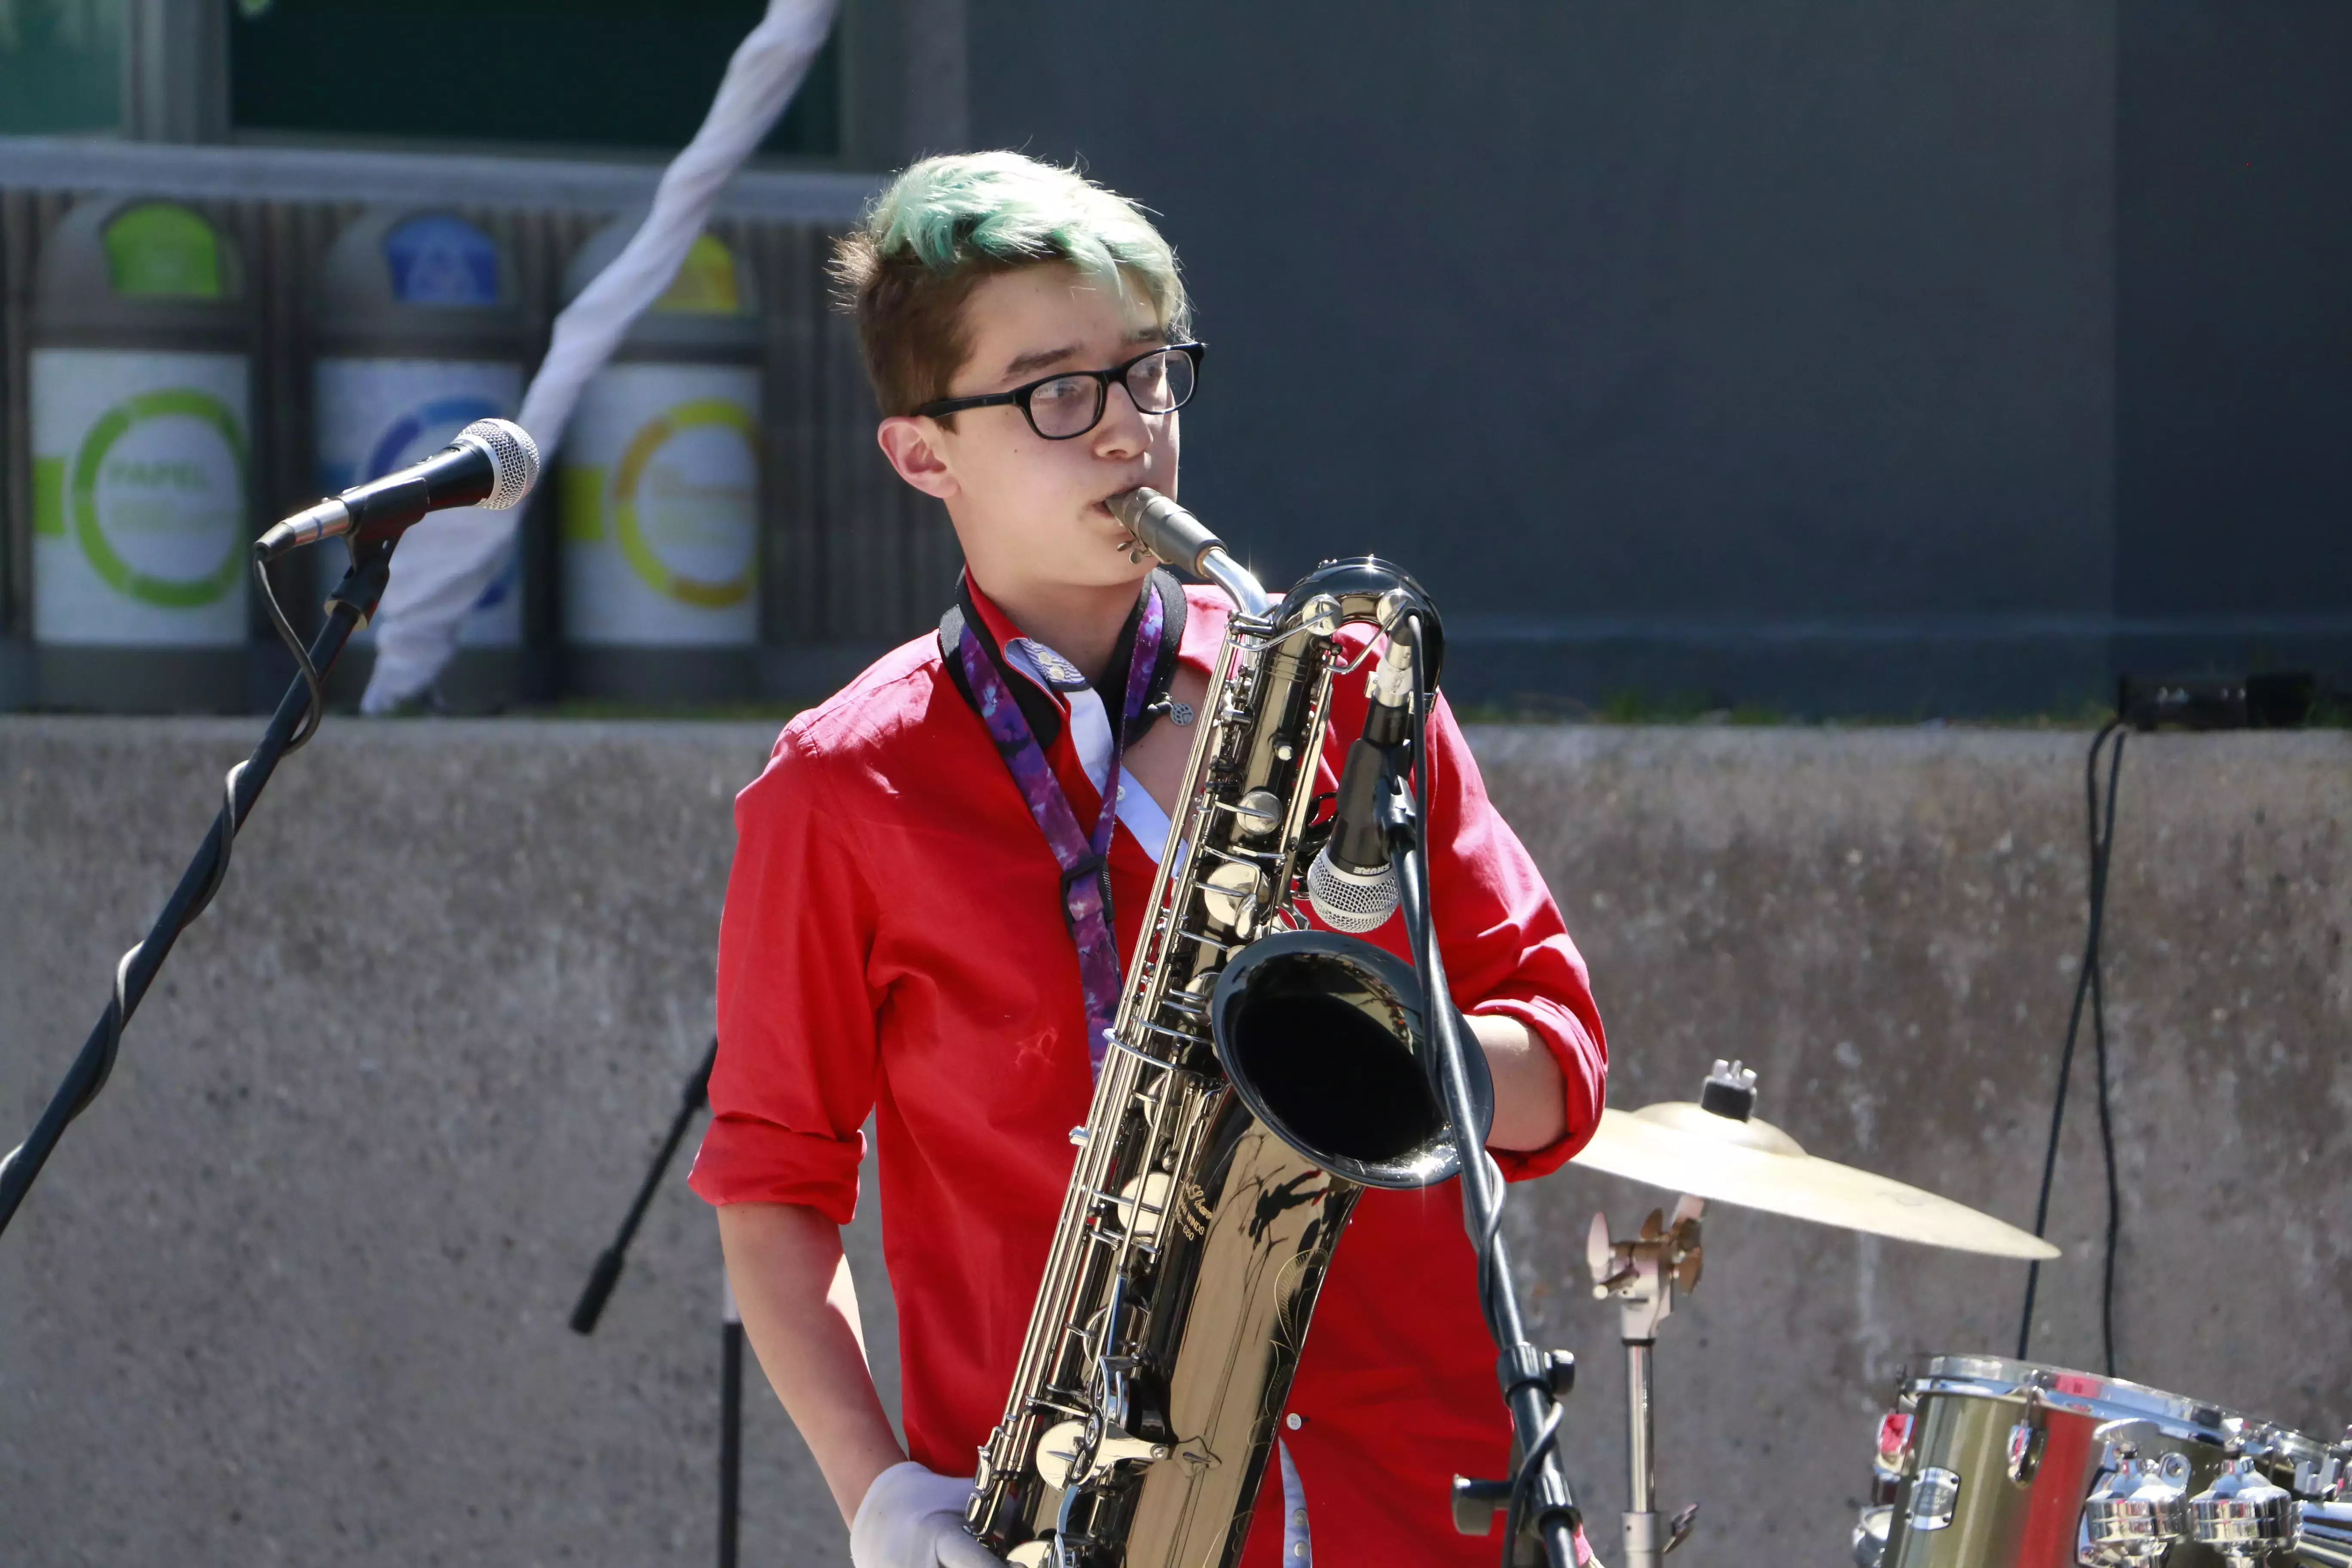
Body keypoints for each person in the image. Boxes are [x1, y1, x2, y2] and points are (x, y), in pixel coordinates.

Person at [689, 151, 1607, 1568]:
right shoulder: (842, 787)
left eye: (1150, 375)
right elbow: (775, 1190)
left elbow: (1562, 1066)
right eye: (1057, 391)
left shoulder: (1347, 695)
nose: (1128, 435)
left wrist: (1384, 1063)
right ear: (922, 451)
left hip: (1424, 1502)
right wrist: (880, 1497)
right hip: (1082, 1521)